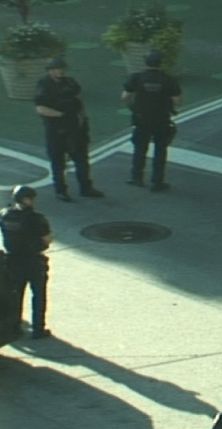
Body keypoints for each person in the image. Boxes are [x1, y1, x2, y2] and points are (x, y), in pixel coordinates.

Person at [34, 57, 103, 202]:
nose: (60, 71)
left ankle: (86, 187)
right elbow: (41, 108)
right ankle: (61, 190)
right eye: (57, 69)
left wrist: (82, 117)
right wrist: (61, 115)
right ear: (50, 71)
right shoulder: (44, 85)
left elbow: (78, 99)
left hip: (75, 128)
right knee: (58, 162)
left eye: (62, 68)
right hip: (56, 129)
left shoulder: (70, 82)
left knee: (82, 160)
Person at [121, 50, 182, 192]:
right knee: (160, 151)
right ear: (160, 64)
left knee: (140, 149)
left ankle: (137, 177)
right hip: (161, 120)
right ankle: (157, 182)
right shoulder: (168, 79)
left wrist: (133, 107)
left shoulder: (136, 78)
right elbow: (177, 100)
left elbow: (125, 96)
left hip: (141, 119)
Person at [0, 185, 53, 339]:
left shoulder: (4, 215)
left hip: (13, 260)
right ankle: (38, 328)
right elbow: (47, 239)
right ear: (27, 199)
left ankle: (15, 326)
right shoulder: (37, 218)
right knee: (38, 296)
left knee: (16, 295)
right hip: (34, 261)